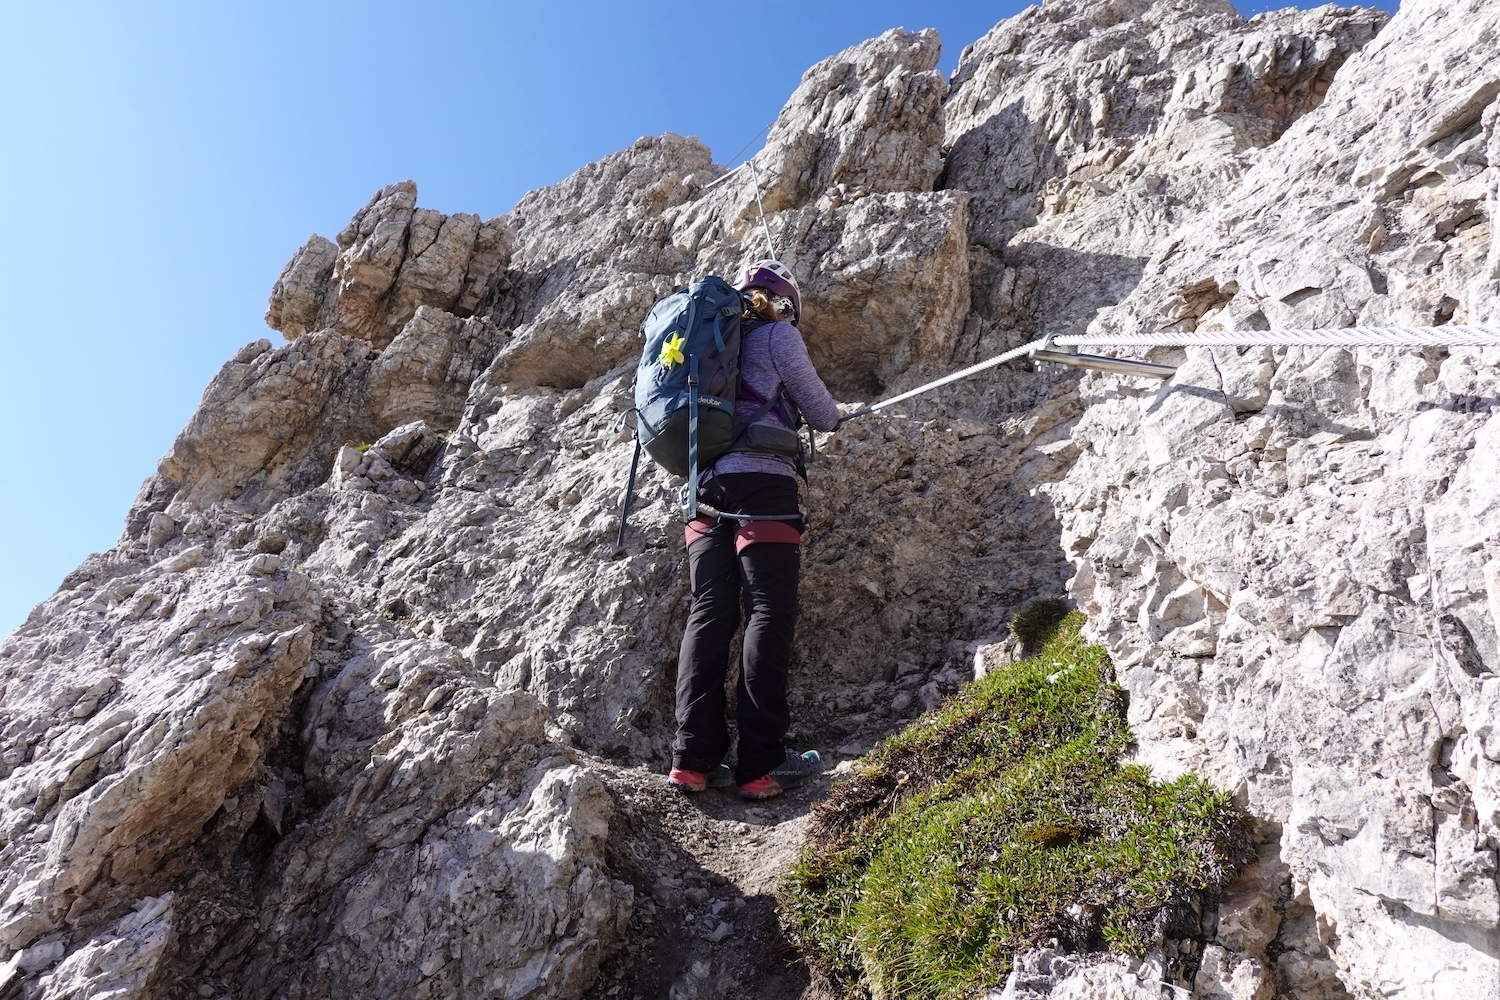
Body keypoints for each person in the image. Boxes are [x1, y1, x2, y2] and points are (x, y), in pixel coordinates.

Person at [668, 259, 842, 800]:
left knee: (708, 612)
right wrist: (829, 415)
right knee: (767, 610)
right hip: (763, 485)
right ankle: (760, 764)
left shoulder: (706, 342)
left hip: (703, 489)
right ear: (783, 301)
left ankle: (692, 761)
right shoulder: (778, 335)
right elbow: (823, 413)